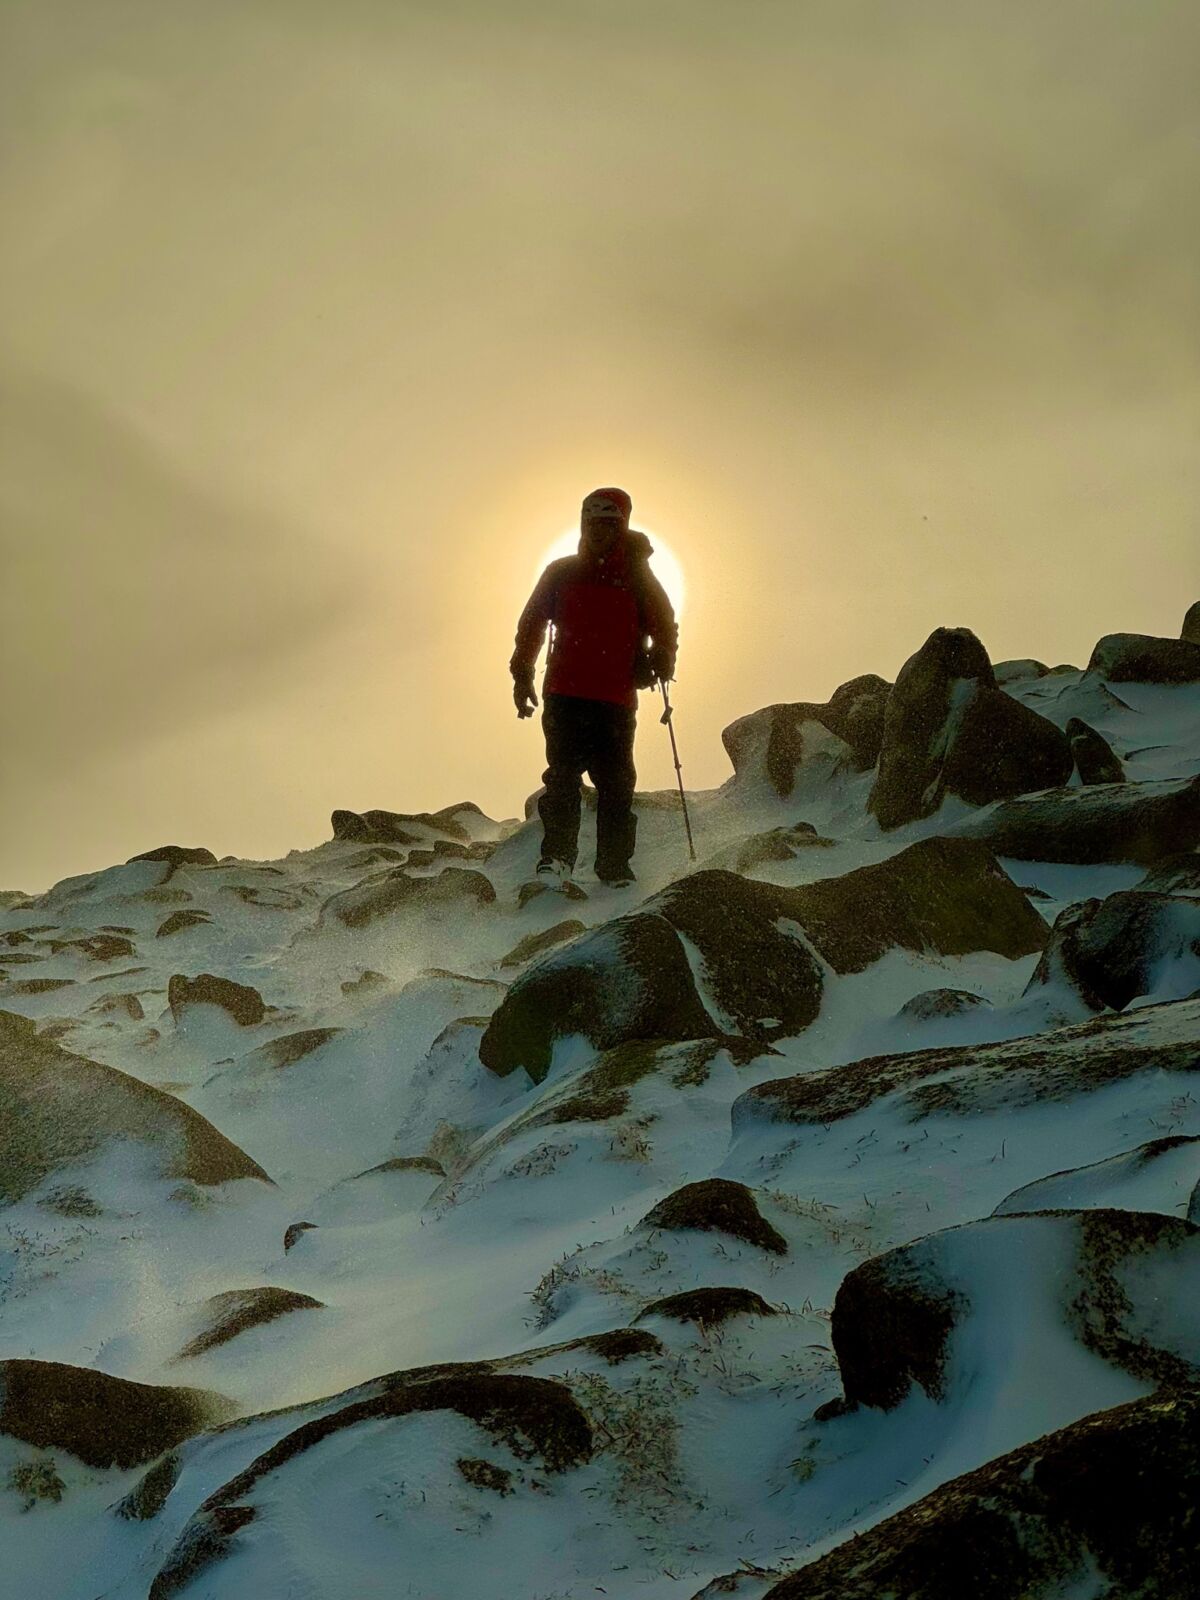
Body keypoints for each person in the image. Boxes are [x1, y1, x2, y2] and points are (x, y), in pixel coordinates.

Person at [510, 487, 678, 886]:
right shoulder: (562, 572)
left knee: (616, 784)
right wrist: (521, 674)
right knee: (564, 777)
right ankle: (557, 859)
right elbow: (531, 624)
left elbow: (664, 624)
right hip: (567, 694)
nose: (597, 531)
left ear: (621, 525)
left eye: (607, 523)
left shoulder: (638, 578)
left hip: (614, 699)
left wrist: (664, 658)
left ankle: (614, 866)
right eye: (592, 523)